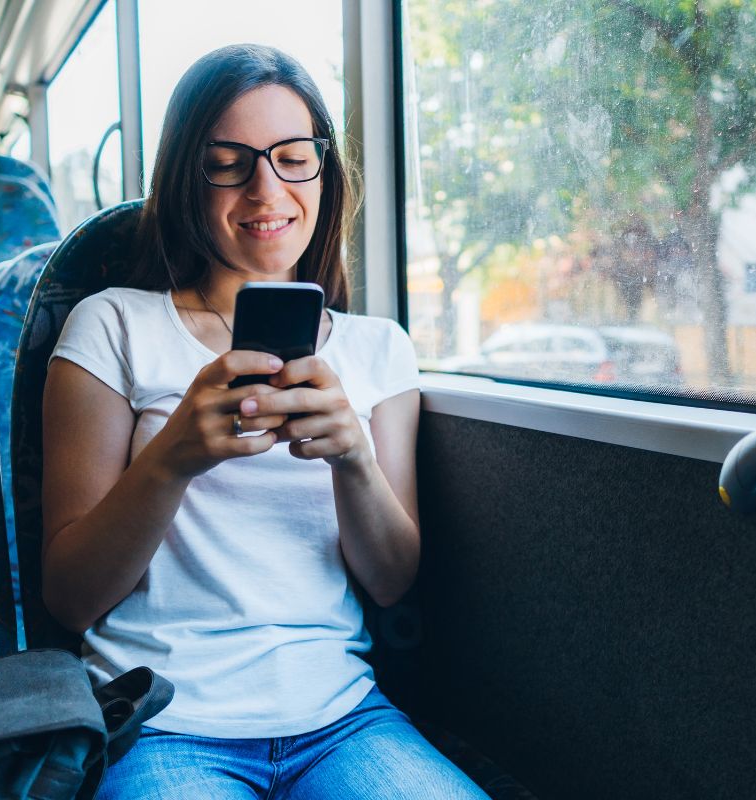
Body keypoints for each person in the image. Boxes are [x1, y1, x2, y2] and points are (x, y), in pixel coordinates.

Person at [41, 44, 489, 799]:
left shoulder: (380, 348)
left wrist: (354, 462)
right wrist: (172, 458)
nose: (266, 188)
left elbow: (390, 582)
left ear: (324, 170)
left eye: (292, 157)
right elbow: (70, 597)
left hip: (343, 718)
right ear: (188, 176)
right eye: (229, 161)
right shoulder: (111, 323)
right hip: (163, 722)